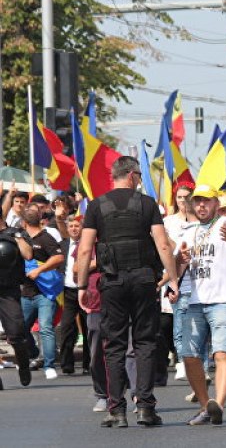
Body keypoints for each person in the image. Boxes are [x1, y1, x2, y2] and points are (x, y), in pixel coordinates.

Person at [76, 156, 179, 427]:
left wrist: (82, 285)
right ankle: (145, 407)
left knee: (115, 345)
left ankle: (117, 410)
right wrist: (174, 279)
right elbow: (163, 245)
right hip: (144, 280)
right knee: (145, 342)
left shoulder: (97, 205)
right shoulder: (147, 204)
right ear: (132, 175)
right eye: (140, 177)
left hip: (111, 282)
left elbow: (85, 249)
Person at [175, 184, 226, 426]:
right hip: (195, 301)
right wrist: (179, 260)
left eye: (207, 201)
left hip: (224, 299)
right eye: (198, 201)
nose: (201, 205)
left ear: (216, 203)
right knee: (189, 355)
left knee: (222, 352)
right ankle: (207, 406)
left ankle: (220, 404)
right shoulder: (188, 230)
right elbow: (176, 267)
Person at [20, 204, 65, 380]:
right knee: (19, 330)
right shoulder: (21, 238)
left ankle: (49, 364)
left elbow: (59, 257)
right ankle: (34, 354)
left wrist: (39, 270)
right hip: (26, 293)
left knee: (46, 328)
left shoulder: (45, 238)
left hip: (45, 293)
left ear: (24, 222)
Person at [163, 183, 196, 382]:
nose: (183, 201)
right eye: (180, 197)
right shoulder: (167, 222)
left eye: (186, 197)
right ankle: (182, 361)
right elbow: (166, 248)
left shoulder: (200, 221)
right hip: (176, 278)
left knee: (196, 324)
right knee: (179, 322)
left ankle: (199, 363)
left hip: (197, 280)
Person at [0, 212, 33, 389]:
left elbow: (28, 255)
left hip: (8, 291)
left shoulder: (16, 233)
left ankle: (24, 365)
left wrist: (18, 238)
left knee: (16, 333)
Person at [58, 214, 90, 375]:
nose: (74, 229)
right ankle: (66, 364)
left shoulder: (88, 244)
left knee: (88, 329)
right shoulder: (63, 245)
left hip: (86, 290)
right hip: (69, 291)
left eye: (77, 226)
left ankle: (88, 364)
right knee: (66, 327)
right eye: (71, 226)